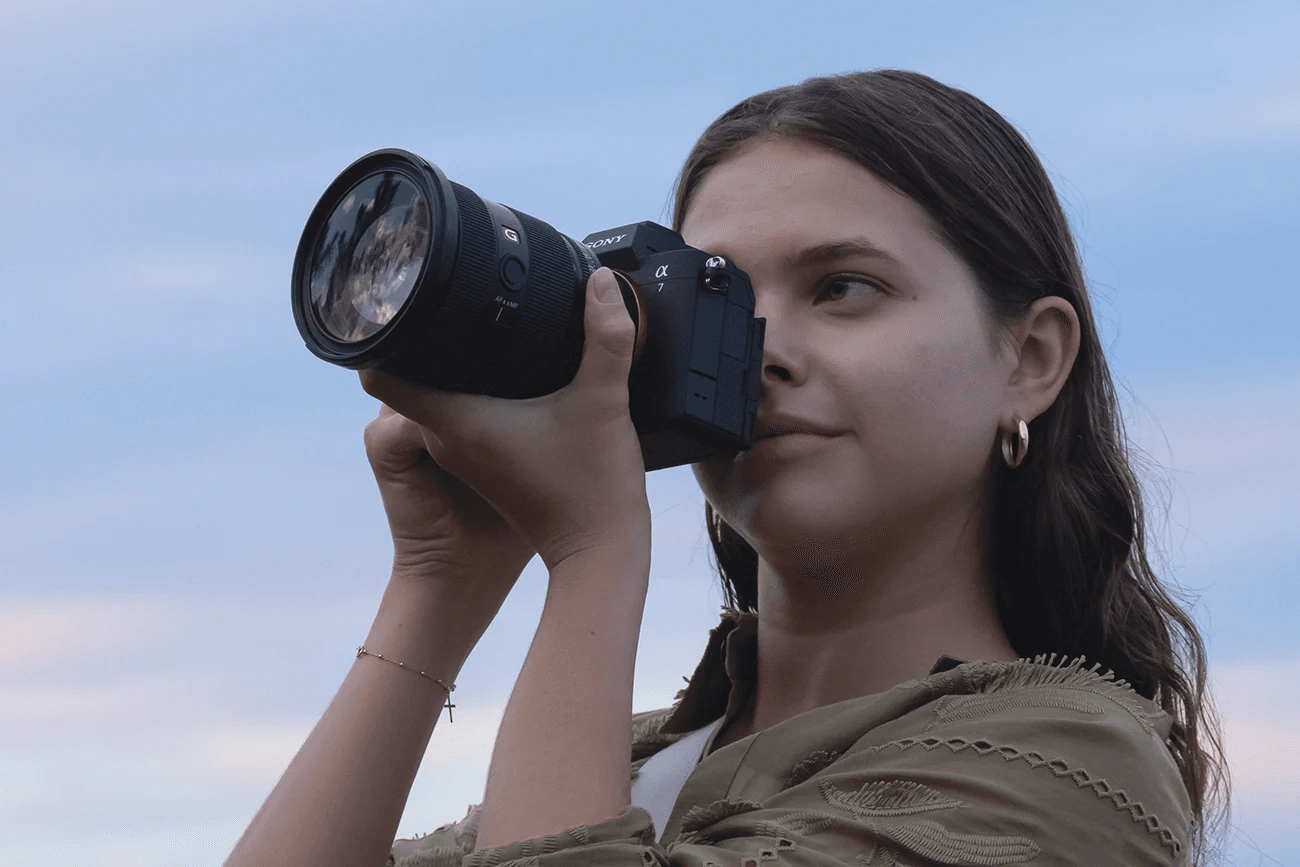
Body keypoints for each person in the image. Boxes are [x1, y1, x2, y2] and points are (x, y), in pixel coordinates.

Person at [224, 70, 1228, 867]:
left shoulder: (1068, 761)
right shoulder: (626, 763)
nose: (765, 352)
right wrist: (435, 588)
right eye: (721, 302)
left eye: (843, 287)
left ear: (1030, 359)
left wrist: (591, 549)